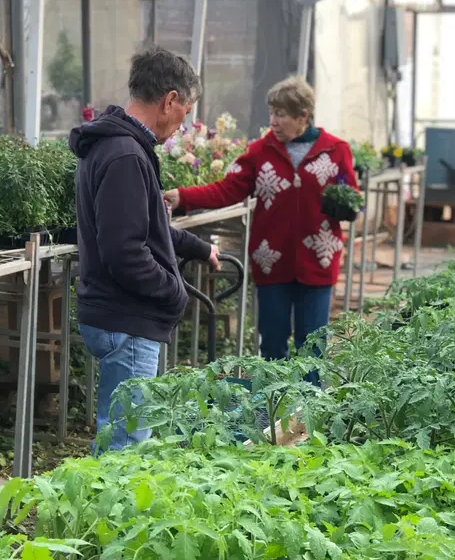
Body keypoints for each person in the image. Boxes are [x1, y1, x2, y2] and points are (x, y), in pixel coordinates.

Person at [69, 47, 219, 451]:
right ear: (169, 100)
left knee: (116, 431)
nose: (182, 126)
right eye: (185, 113)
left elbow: (144, 226)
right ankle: (106, 516)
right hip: (128, 318)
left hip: (115, 313)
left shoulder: (115, 146)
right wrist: (174, 293)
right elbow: (126, 252)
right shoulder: (124, 155)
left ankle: (90, 511)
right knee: (127, 443)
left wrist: (196, 248)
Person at [164, 76, 357, 366]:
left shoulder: (336, 150)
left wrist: (346, 204)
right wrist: (183, 196)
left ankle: (310, 409)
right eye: (272, 113)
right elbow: (227, 189)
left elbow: (351, 196)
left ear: (302, 116)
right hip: (272, 261)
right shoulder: (260, 152)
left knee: (313, 346)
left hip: (318, 259)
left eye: (281, 114)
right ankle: (273, 408)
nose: (273, 121)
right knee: (273, 343)